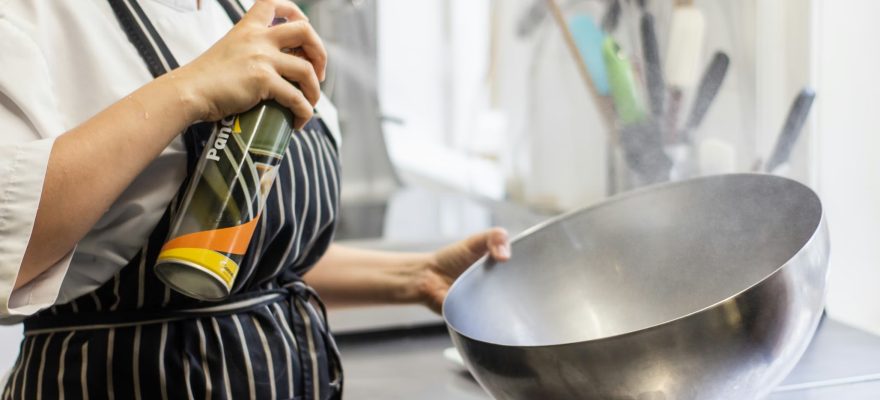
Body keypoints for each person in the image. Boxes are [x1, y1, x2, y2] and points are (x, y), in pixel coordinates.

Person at [0, 0, 511, 398]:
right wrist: (190, 90)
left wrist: (412, 278)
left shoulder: (245, 14)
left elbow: (237, 255)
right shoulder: (32, 18)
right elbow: (10, 250)